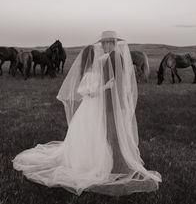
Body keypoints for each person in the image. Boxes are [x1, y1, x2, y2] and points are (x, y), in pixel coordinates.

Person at [12, 31, 161, 196]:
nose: (103, 47)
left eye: (105, 43)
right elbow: (94, 87)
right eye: (102, 44)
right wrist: (104, 88)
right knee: (100, 133)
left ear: (110, 42)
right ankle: (106, 163)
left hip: (108, 104)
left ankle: (115, 164)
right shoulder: (106, 60)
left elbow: (114, 83)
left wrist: (108, 93)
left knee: (108, 134)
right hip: (98, 104)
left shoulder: (113, 57)